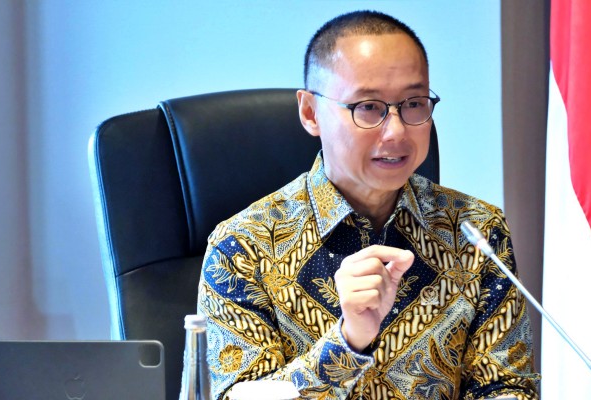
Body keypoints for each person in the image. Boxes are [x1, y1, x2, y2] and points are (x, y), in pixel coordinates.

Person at [198, 10, 540, 400]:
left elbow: (508, 387)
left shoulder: (476, 231)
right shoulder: (241, 248)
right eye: (368, 107)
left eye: (414, 103)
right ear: (310, 112)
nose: (396, 131)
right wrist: (347, 342)